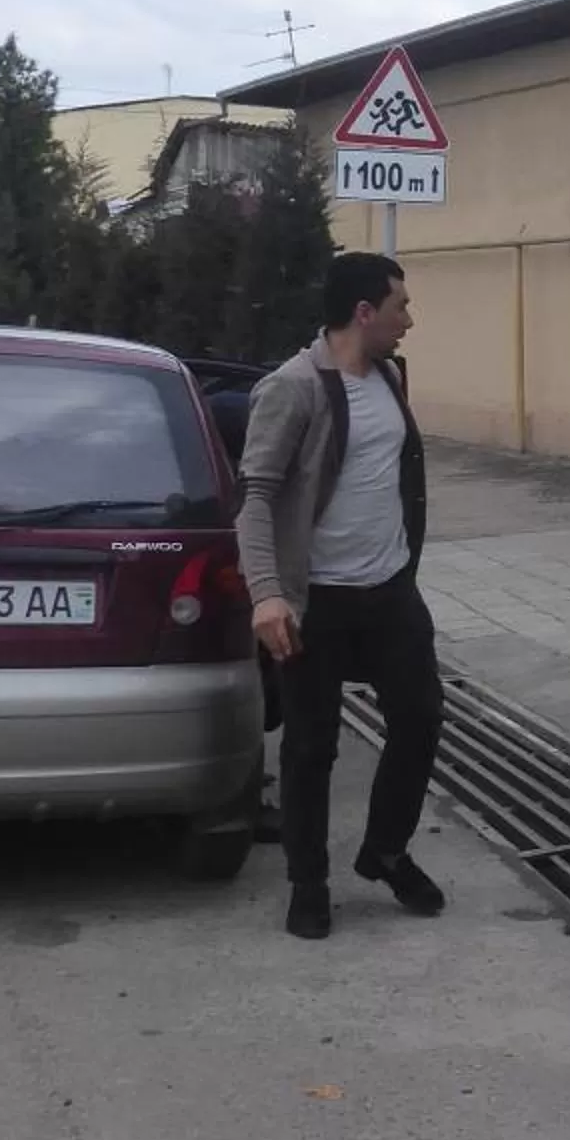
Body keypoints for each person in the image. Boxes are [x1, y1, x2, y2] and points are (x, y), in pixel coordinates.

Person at [236, 252, 447, 940]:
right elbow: (256, 496)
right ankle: (309, 882)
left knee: (419, 718)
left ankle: (384, 851)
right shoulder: (292, 388)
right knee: (309, 747)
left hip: (388, 590)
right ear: (364, 312)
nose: (408, 321)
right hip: (315, 600)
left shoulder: (390, 376)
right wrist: (267, 594)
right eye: (400, 307)